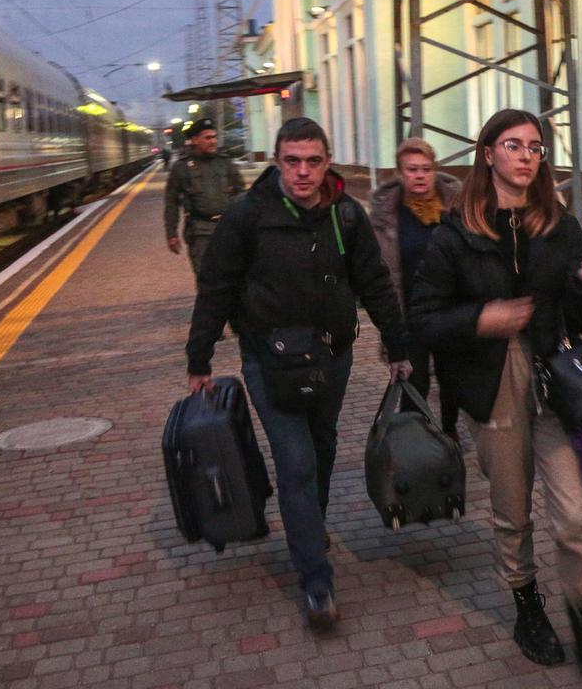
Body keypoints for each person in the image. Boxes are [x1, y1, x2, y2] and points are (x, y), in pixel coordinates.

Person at [408, 109, 582, 687]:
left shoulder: (559, 226)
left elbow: (580, 318)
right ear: (488, 155)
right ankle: (528, 607)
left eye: (535, 147)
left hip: (555, 377)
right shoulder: (455, 234)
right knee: (512, 510)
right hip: (492, 381)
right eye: (514, 146)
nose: (527, 156)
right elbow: (424, 320)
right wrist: (483, 317)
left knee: (576, 512)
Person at [185, 117, 412, 632]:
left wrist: (397, 346)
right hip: (270, 360)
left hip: (333, 356)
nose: (303, 172)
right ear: (276, 160)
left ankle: (309, 524)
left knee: (323, 446)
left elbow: (375, 283)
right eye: (292, 161)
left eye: (313, 161)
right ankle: (316, 579)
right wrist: (198, 359)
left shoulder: (347, 216)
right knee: (296, 462)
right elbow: (215, 287)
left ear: (327, 161)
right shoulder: (247, 216)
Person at [370, 138, 462, 438]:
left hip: (450, 312)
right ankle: (413, 442)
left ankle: (450, 434)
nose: (419, 175)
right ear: (400, 173)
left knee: (451, 381)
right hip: (409, 313)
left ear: (435, 170)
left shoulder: (455, 206)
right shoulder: (387, 213)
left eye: (425, 169)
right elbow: (379, 269)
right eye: (412, 169)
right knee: (414, 381)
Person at [164, 117, 245, 276]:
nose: (213, 141)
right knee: (207, 280)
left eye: (214, 137)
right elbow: (172, 202)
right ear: (194, 140)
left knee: (235, 278)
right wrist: (171, 234)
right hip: (200, 233)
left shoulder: (225, 162)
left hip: (228, 229)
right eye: (207, 138)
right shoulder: (181, 167)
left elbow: (241, 194)